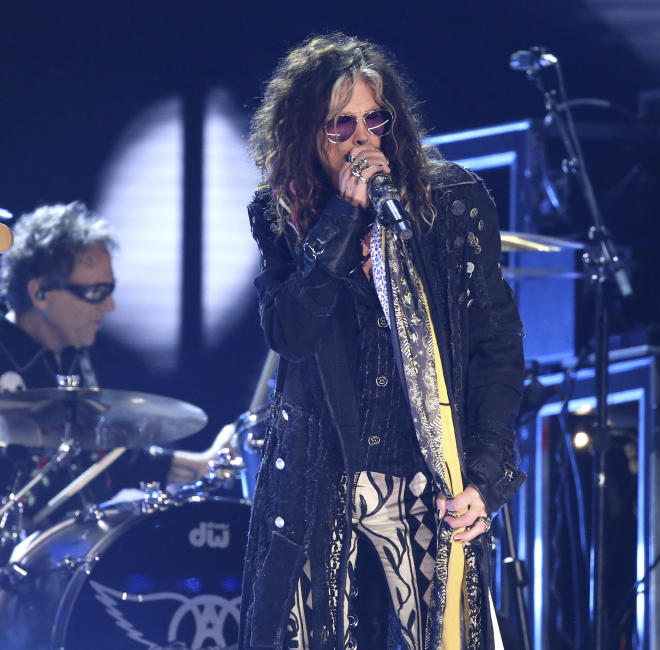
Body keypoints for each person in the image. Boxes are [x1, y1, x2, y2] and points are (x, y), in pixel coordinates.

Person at [241, 34, 526, 649]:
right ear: (306, 135)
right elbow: (288, 332)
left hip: (424, 472)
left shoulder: (452, 202)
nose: (363, 137)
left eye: (375, 118)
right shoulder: (281, 212)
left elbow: (496, 345)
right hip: (321, 469)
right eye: (341, 124)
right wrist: (341, 222)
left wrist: (484, 474)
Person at [0, 202, 217, 509]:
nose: (109, 306)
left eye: (111, 289)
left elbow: (96, 454)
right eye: (95, 292)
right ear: (39, 293)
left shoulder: (72, 356)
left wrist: (196, 464)